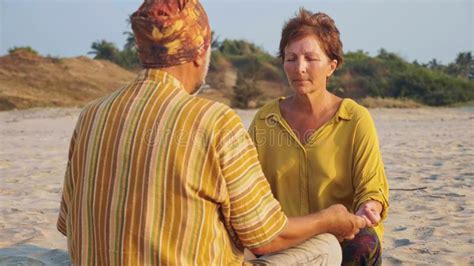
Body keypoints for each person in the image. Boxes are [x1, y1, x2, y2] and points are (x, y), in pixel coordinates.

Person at [57, 1, 367, 265]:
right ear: (200, 52)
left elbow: (67, 224)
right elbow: (267, 239)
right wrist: (330, 219)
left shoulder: (91, 115)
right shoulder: (215, 120)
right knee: (325, 247)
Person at [249, 9, 390, 265]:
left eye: (310, 58)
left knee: (366, 243)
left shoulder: (355, 119)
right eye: (291, 58)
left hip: (340, 236)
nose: (299, 68)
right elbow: (246, 185)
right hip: (284, 238)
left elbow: (371, 186)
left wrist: (370, 206)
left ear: (331, 66)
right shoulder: (265, 120)